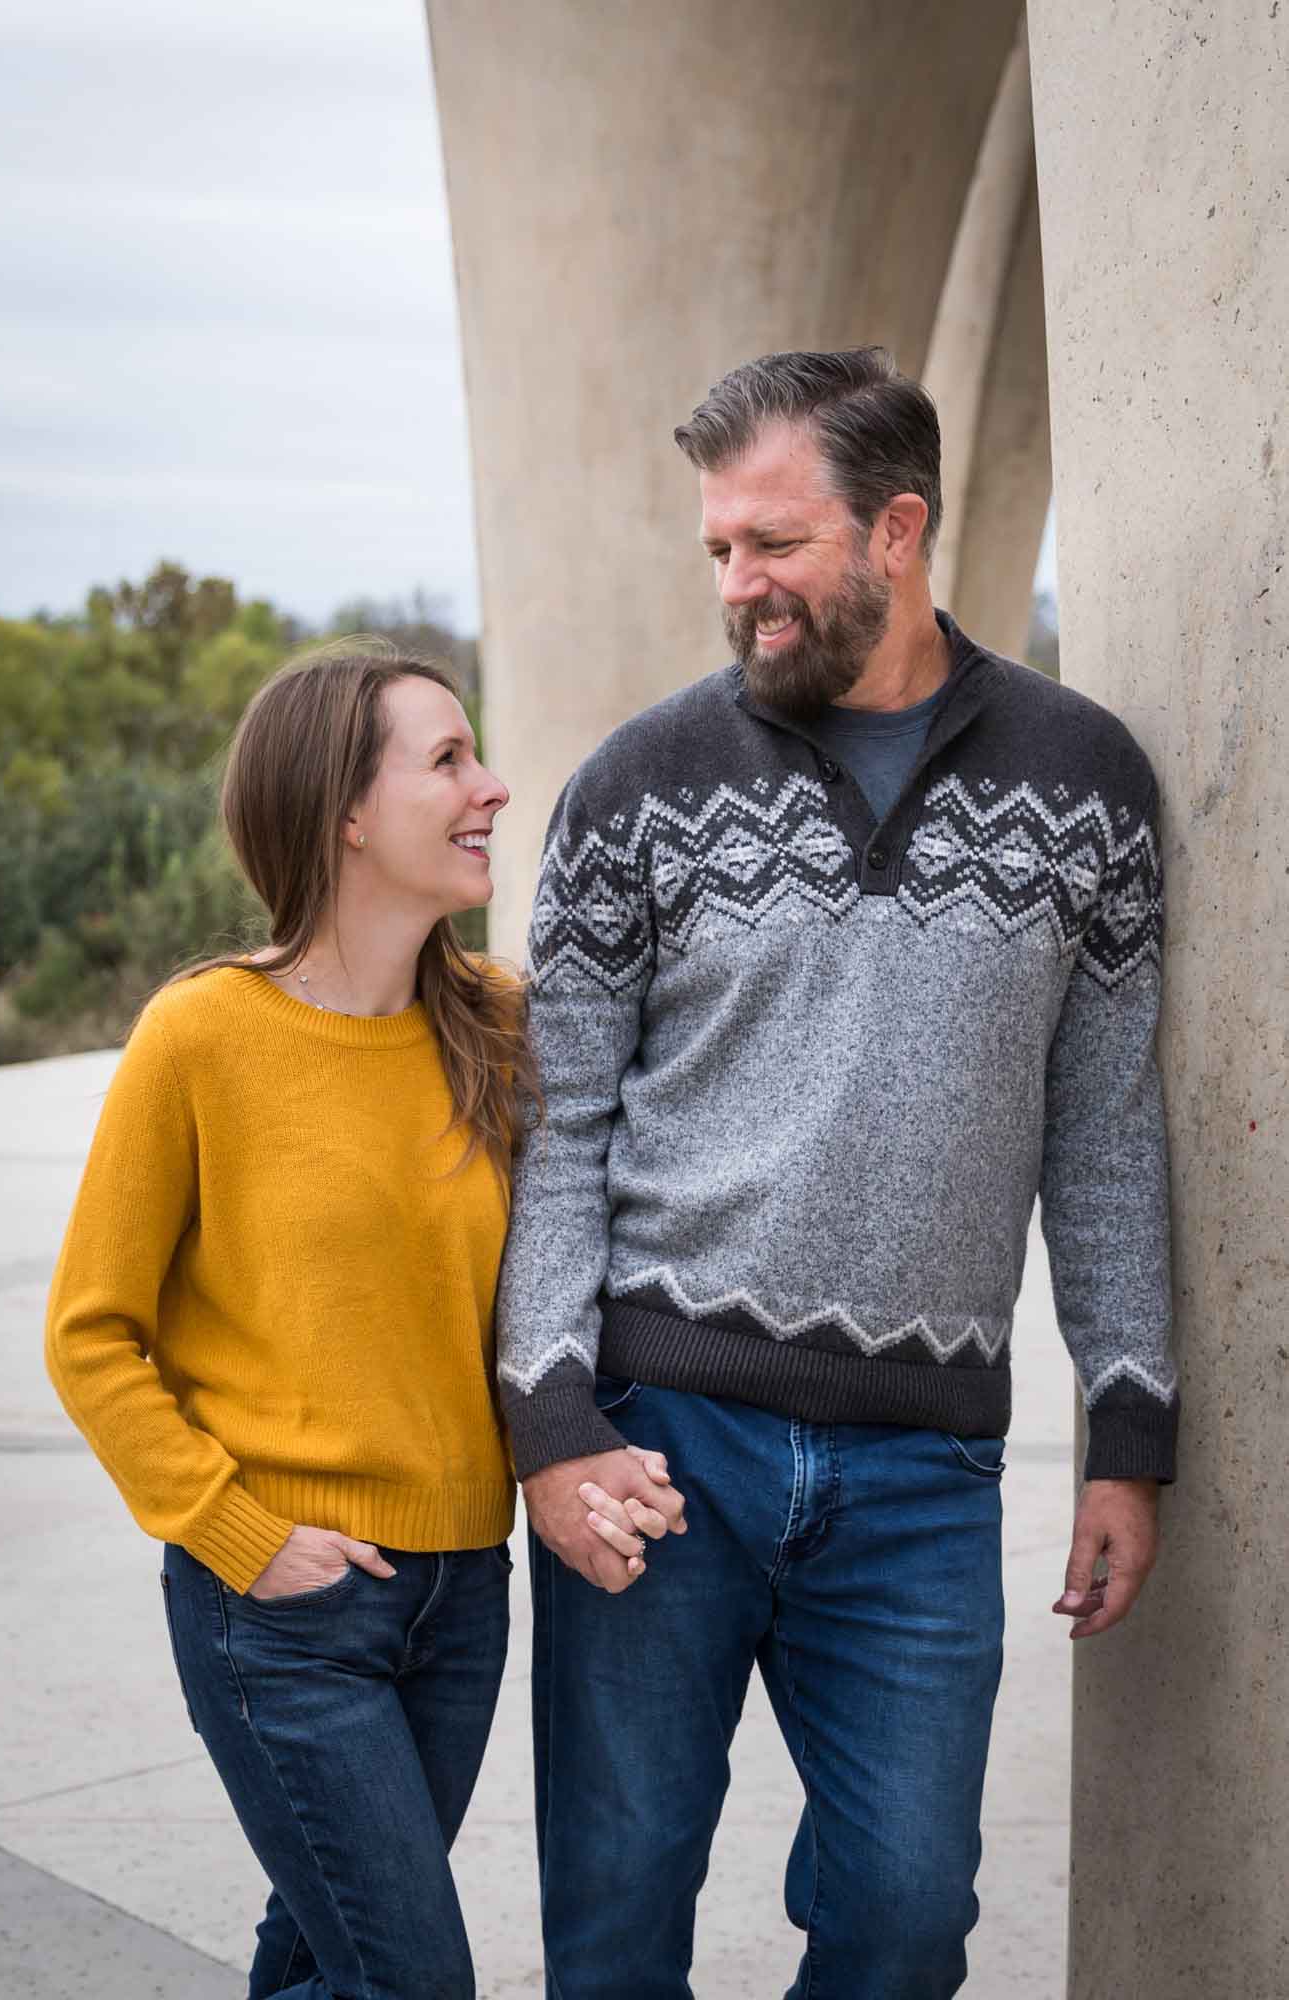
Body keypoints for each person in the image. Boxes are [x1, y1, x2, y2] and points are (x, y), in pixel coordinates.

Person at [497, 350, 1179, 1999]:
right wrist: (548, 1419)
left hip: (918, 1472)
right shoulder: (634, 788)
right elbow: (558, 1129)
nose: (740, 586)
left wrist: (1127, 1430)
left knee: (901, 1920)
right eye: (720, 550)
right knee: (614, 1915)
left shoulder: (1084, 781)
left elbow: (1100, 1130)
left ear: (897, 529)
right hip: (660, 1448)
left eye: (774, 544)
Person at [44, 640, 679, 2000]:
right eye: (446, 760)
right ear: (343, 807)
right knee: (409, 1978)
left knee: (325, 1960)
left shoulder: (501, 1031)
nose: (492, 789)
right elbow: (91, 1331)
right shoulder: (202, 1036)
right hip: (281, 1604)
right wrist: (240, 1537)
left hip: (461, 1592)